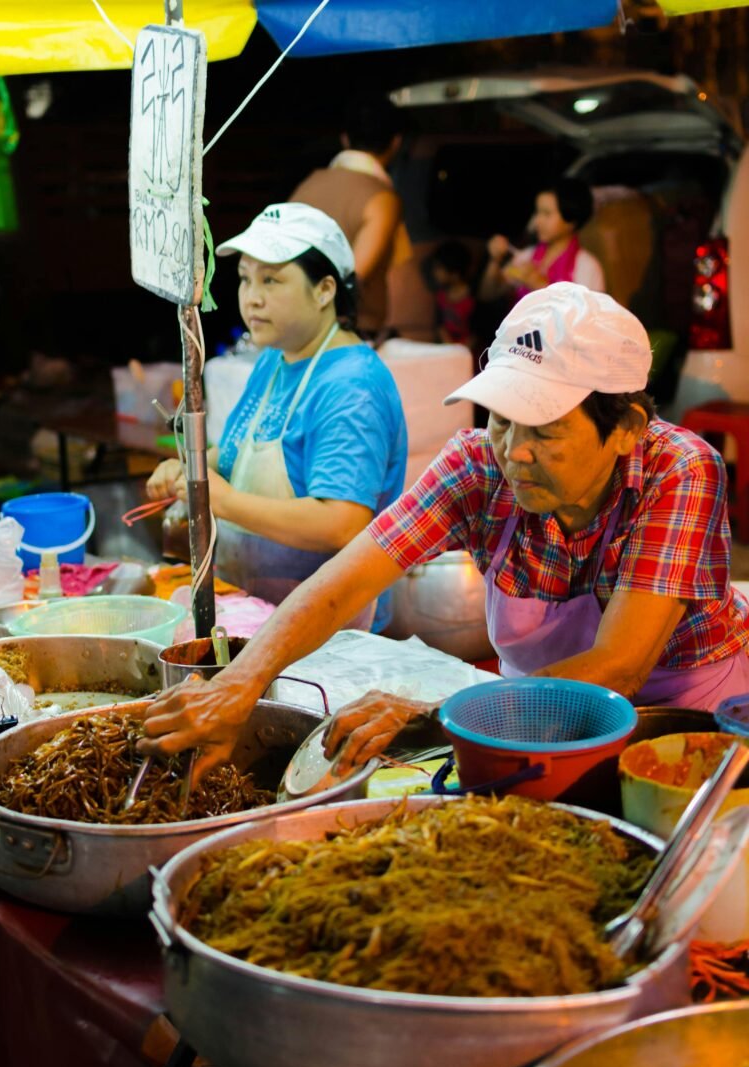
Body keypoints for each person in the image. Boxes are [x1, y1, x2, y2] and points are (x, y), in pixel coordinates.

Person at [140, 282, 749, 782]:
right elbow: (345, 581)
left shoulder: (680, 470)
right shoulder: (476, 464)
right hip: (519, 718)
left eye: (543, 429)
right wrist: (238, 687)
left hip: (676, 727)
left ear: (626, 428)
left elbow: (619, 667)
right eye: (501, 420)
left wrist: (435, 716)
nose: (515, 453)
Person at [146, 202, 407, 631]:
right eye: (246, 279)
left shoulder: (351, 385)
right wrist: (190, 469)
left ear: (324, 290)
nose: (252, 297)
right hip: (258, 614)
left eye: (272, 279)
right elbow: (234, 455)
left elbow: (341, 522)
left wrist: (225, 502)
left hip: (330, 628)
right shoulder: (275, 360)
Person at [289, 96, 410, 337]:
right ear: (396, 142)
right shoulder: (382, 198)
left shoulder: (307, 185)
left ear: (345, 138)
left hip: (297, 327)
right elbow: (353, 278)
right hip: (349, 332)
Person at [479, 178, 604, 304]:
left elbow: (589, 317)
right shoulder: (527, 256)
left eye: (547, 214)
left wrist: (539, 284)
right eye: (537, 212)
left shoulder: (587, 266)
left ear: (571, 220)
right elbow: (488, 295)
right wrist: (494, 261)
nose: (537, 221)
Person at [430, 240, 476, 349]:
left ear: (455, 273)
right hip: (448, 351)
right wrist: (449, 346)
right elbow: (440, 324)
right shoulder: (441, 296)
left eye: (439, 268)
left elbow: (477, 333)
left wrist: (460, 351)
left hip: (468, 353)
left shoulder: (473, 299)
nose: (434, 272)